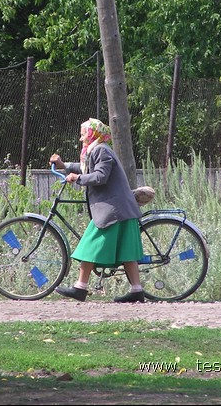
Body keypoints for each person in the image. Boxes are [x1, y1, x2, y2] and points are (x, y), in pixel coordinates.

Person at [49, 118, 145, 303]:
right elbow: (87, 167)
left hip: (112, 210)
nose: (80, 138)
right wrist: (64, 165)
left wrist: (78, 179)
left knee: (89, 244)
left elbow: (100, 176)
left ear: (93, 134)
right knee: (126, 251)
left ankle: (80, 288)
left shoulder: (101, 150)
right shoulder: (97, 150)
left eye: (83, 134)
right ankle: (136, 290)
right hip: (119, 208)